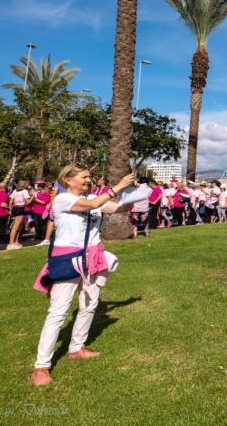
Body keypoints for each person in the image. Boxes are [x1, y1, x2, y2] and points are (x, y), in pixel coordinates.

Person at [30, 165, 136, 387]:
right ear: (68, 180)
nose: (89, 180)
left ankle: (76, 348)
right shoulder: (62, 200)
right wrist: (118, 186)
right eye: (84, 177)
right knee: (58, 312)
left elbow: (116, 208)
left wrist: (131, 192)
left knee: (89, 304)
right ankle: (41, 366)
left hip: (92, 257)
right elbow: (94, 205)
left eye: (90, 176)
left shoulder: (92, 197)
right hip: (68, 259)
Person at [7, 180, 32, 250]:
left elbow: (11, 200)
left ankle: (15, 241)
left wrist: (10, 209)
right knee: (16, 226)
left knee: (20, 226)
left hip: (15, 208)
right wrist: (32, 197)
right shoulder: (24, 191)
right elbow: (27, 203)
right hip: (20, 208)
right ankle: (11, 243)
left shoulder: (15, 191)